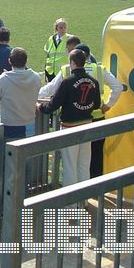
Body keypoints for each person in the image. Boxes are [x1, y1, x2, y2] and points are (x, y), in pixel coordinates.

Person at [38, 42, 122, 178]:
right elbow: (116, 87)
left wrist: (37, 100)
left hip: (71, 122)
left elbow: (51, 91)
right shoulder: (98, 71)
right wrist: (107, 105)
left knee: (70, 164)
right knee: (89, 161)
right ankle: (89, 193)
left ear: (73, 61)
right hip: (93, 119)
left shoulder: (66, 72)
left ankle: (71, 198)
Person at [37, 49, 101, 186]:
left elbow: (53, 105)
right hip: (87, 124)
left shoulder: (67, 82)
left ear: (72, 63)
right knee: (84, 164)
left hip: (69, 126)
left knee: (70, 165)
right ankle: (83, 200)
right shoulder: (94, 81)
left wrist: (40, 107)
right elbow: (97, 105)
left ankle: (70, 204)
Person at [0, 47, 41, 141]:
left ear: (9, 61)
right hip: (29, 124)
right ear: (26, 61)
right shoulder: (36, 77)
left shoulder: (3, 79)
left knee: (9, 154)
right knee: (27, 154)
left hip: (9, 126)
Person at [43, 18, 73, 83]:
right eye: (61, 27)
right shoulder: (51, 38)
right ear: (56, 28)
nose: (63, 29)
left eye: (64, 27)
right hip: (50, 71)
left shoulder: (70, 39)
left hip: (62, 72)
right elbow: (47, 54)